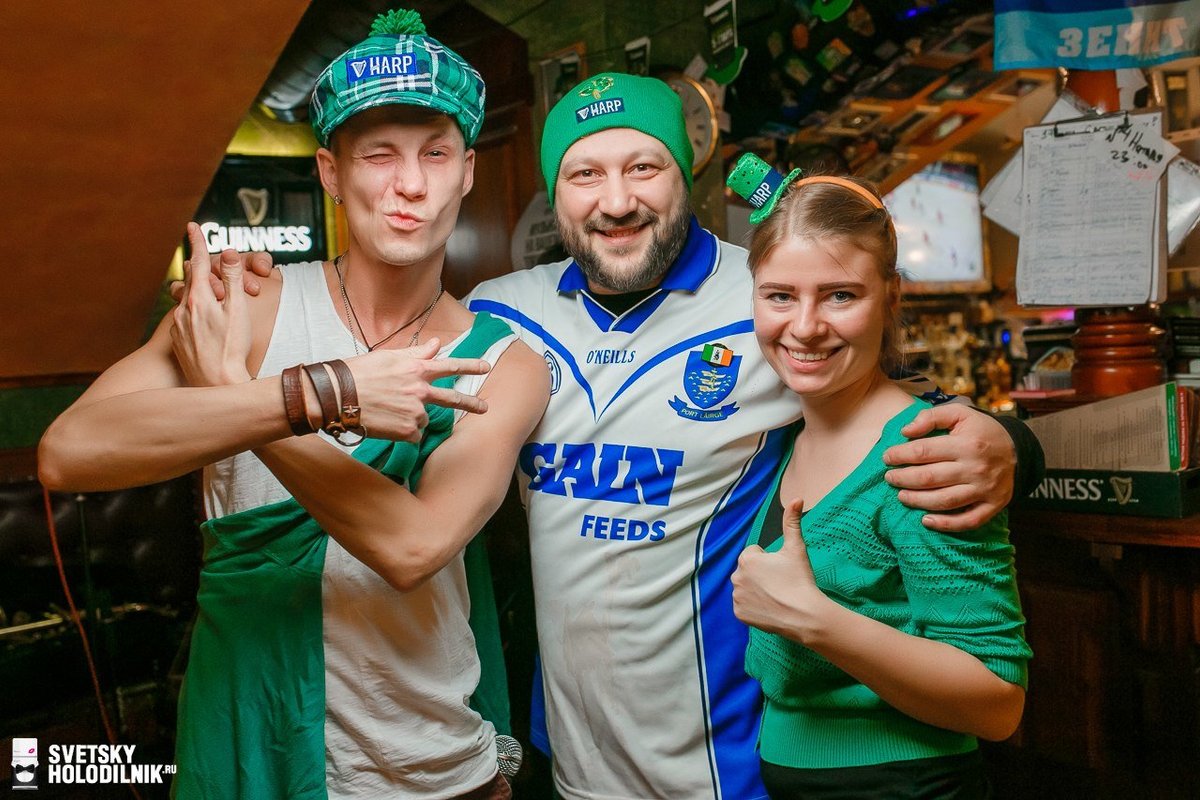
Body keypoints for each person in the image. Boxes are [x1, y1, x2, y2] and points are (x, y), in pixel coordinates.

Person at [231, 71, 1043, 799]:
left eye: (644, 168)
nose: (616, 202)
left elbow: (881, 394)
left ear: (685, 177)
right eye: (585, 173)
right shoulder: (499, 313)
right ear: (556, 192)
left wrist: (1010, 444)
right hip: (570, 755)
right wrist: (254, 301)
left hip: (730, 761)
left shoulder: (764, 295)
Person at [37, 8, 548, 799]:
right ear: (331, 173)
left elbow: (411, 548)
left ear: (468, 171)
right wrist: (319, 394)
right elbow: (68, 453)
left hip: (425, 764)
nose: (411, 184)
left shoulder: (504, 364)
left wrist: (233, 392)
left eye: (435, 153)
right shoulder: (249, 303)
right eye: (378, 155)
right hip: (249, 730)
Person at [726, 154, 1030, 798]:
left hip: (903, 783)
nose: (805, 328)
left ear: (890, 297)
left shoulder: (925, 458)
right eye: (780, 295)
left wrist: (815, 620)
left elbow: (997, 702)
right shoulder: (781, 435)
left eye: (840, 295)